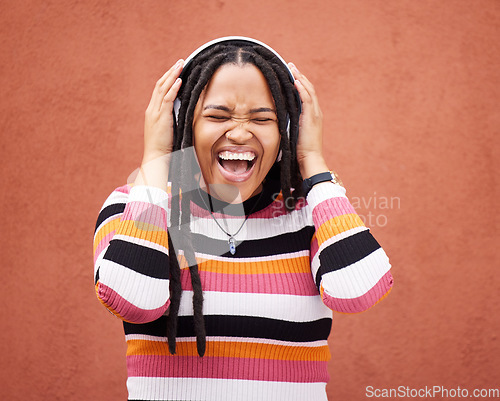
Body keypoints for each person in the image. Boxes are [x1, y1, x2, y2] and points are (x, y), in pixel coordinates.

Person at [93, 36, 393, 401]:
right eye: (217, 116)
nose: (238, 132)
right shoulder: (134, 205)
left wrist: (312, 159)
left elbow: (360, 292)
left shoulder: (309, 214)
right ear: (181, 123)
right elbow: (131, 301)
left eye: (262, 118)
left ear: (285, 131)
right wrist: (158, 156)